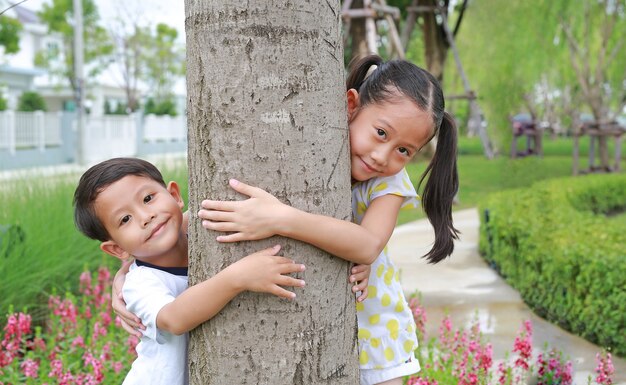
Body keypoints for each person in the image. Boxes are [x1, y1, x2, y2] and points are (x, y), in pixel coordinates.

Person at [197, 54, 459, 385]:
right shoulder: (313, 153)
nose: (383, 156)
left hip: (377, 333)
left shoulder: (389, 184)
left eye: (403, 151)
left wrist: (281, 219)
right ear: (352, 106)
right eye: (381, 133)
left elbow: (366, 246)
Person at [73, 157, 306, 385]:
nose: (146, 217)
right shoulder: (140, 283)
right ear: (116, 249)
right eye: (125, 219)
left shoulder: (194, 233)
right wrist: (237, 277)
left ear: (174, 195)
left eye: (148, 198)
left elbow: (189, 217)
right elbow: (173, 319)